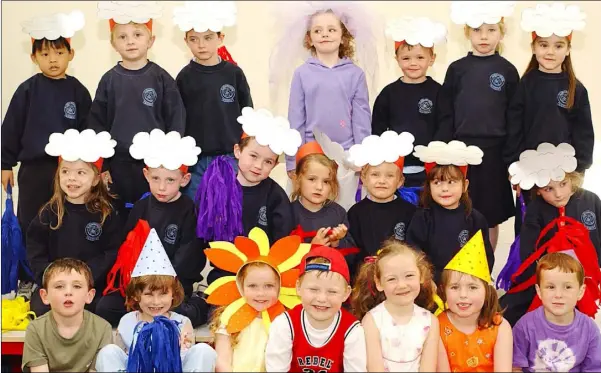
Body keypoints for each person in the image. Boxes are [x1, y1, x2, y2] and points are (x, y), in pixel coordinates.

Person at [2, 11, 91, 292]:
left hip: (68, 171)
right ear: (34, 58)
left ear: (71, 54)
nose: (52, 59)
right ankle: (30, 277)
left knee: (65, 221)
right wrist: (5, 164)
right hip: (34, 171)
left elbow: (90, 131)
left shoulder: (78, 92)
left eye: (59, 52)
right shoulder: (27, 91)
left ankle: (67, 278)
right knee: (31, 221)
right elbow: (11, 128)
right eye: (44, 54)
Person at [95, 129, 208, 328]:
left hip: (173, 287)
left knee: (185, 314)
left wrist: (163, 288)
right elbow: (127, 251)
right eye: (156, 179)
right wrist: (141, 288)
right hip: (141, 288)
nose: (162, 187)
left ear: (185, 180)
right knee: (105, 307)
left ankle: (196, 303)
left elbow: (189, 258)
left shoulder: (189, 210)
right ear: (146, 175)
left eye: (170, 180)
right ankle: (150, 313)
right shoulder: (140, 207)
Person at [505, 3, 593, 236]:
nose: (550, 52)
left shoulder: (576, 89)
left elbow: (584, 132)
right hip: (530, 175)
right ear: (533, 47)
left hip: (563, 175)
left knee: (560, 231)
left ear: (568, 49)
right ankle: (529, 273)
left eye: (558, 45)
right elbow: (514, 128)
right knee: (529, 230)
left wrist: (580, 168)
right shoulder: (525, 85)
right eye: (543, 45)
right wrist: (514, 166)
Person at [91, 1, 185, 215]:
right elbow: (97, 124)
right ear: (113, 43)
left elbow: (176, 119)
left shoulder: (162, 79)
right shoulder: (109, 80)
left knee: (152, 213)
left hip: (153, 163)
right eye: (122, 36)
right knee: (119, 213)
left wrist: (168, 160)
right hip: (118, 162)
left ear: (151, 40)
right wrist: (102, 166)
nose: (130, 41)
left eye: (137, 35)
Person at [438, 1, 519, 249]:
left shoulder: (507, 71)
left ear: (501, 33)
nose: (484, 36)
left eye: (491, 30)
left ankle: (486, 275)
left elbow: (515, 117)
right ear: (467, 33)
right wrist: (445, 153)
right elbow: (445, 113)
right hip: (461, 154)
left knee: (489, 217)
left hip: (495, 155)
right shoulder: (457, 69)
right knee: (459, 212)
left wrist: (512, 159)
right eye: (477, 30)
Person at [268, 2, 380, 180]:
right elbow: (296, 120)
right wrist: (293, 160)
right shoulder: (302, 74)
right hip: (311, 155)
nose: (325, 34)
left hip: (347, 157)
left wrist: (362, 156)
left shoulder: (355, 74)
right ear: (309, 39)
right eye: (317, 31)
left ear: (344, 36)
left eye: (332, 30)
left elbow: (361, 120)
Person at [500, 143, 601, 326]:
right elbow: (528, 250)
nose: (558, 194)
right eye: (548, 189)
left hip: (582, 278)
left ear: (573, 178)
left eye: (563, 184)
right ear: (538, 190)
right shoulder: (536, 208)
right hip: (545, 278)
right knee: (506, 312)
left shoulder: (591, 200)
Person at [27, 129, 121, 317]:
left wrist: (84, 278)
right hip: (57, 285)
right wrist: (55, 279)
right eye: (65, 171)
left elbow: (112, 252)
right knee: (41, 308)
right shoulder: (49, 213)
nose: (72, 178)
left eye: (80, 172)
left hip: (91, 286)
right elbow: (35, 250)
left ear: (95, 178)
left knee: (104, 308)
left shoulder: (106, 214)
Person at [95, 228, 217, 372]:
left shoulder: (182, 322)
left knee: (204, 350)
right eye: (148, 294)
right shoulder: (127, 321)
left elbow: (186, 358)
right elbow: (122, 357)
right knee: (108, 352)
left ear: (173, 294)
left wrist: (181, 346)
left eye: (163, 294)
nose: (156, 302)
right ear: (135, 295)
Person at [173, 1, 253, 199]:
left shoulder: (234, 73)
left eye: (208, 38)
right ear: (186, 41)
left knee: (229, 206)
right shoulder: (184, 77)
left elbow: (248, 112)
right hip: (195, 159)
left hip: (229, 156)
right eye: (194, 39)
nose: (201, 45)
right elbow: (177, 117)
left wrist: (245, 152)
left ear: (220, 38)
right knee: (196, 207)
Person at [196, 107, 300, 259]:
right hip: (225, 265)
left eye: (268, 161)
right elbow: (205, 230)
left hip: (262, 268)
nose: (258, 165)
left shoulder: (275, 196)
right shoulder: (220, 189)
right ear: (238, 151)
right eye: (253, 156)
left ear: (275, 165)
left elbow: (283, 238)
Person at [204, 227, 310, 372]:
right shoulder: (229, 318)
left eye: (268, 286)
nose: (261, 293)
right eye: (252, 286)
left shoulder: (286, 321)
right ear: (241, 286)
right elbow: (223, 361)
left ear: (280, 287)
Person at [265, 246, 367, 372]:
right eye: (313, 289)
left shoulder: (352, 330)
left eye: (332, 291)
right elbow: (277, 369)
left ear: (346, 293)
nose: (322, 298)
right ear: (298, 287)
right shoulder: (285, 324)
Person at [372, 17, 446, 190]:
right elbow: (378, 130)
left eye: (420, 57)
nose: (413, 63)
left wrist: (436, 156)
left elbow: (445, 125)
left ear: (432, 59)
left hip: (430, 169)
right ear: (396, 59)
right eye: (406, 58)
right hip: (396, 170)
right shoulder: (388, 94)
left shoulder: (439, 92)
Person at [407, 141, 494, 282]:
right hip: (430, 285)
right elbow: (414, 254)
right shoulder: (422, 218)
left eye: (451, 182)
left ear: (465, 185)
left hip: (464, 285)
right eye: (437, 182)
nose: (444, 189)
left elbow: (485, 257)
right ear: (428, 187)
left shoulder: (476, 220)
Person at [351, 240, 439, 372]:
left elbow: (428, 368)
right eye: (392, 279)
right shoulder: (372, 321)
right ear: (379, 283)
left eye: (409, 276)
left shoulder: (431, 322)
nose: (402, 285)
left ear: (421, 276)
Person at [436, 230, 513, 372]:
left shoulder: (500, 327)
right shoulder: (437, 326)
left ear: (487, 291)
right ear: (444, 291)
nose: (463, 295)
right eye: (454, 287)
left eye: (472, 287)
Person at [512, 252, 601, 372]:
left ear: (580, 291)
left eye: (568, 287)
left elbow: (593, 369)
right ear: (539, 291)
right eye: (551, 287)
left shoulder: (589, 329)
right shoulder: (524, 326)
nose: (558, 295)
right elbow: (515, 367)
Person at [22, 258, 113, 372]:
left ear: (89, 295)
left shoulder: (103, 329)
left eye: (77, 286)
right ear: (45, 296)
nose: (68, 292)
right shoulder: (36, 330)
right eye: (59, 286)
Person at [347, 131, 417, 278]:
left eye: (389, 176)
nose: (382, 181)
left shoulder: (410, 212)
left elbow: (414, 250)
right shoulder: (355, 213)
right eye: (375, 174)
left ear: (400, 182)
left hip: (399, 277)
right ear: (364, 179)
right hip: (365, 278)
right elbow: (352, 252)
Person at [290, 141, 354, 249]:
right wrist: (312, 248)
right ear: (297, 180)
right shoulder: (288, 213)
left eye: (326, 182)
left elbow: (352, 258)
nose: (319, 187)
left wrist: (336, 242)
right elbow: (282, 256)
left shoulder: (338, 213)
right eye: (312, 179)